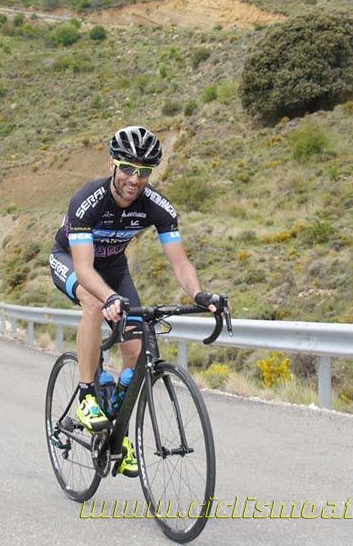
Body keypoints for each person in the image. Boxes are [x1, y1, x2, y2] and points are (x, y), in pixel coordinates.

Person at [48, 125, 224, 477]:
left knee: (136, 349)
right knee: (94, 305)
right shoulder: (88, 201)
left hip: (114, 268)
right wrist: (109, 296)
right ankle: (86, 395)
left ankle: (119, 432)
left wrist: (199, 294)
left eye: (143, 172)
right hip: (71, 262)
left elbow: (180, 261)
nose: (134, 178)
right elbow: (84, 269)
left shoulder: (157, 206)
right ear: (112, 164)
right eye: (127, 168)